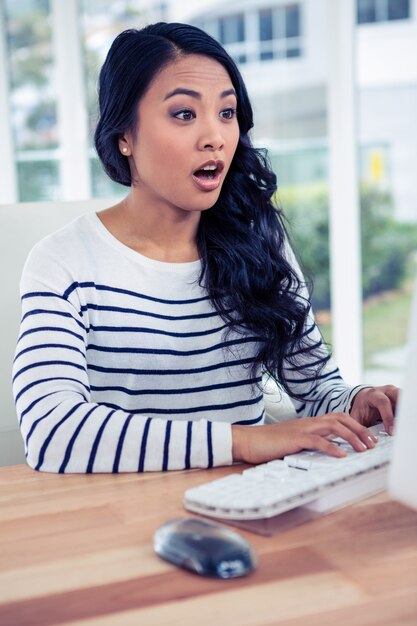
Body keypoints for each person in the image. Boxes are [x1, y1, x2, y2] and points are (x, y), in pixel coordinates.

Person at [12, 22, 398, 474]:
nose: (215, 136)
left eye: (227, 113)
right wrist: (245, 441)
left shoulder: (258, 243)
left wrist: (359, 402)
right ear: (124, 136)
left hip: (254, 500)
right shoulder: (64, 261)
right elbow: (52, 432)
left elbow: (316, 390)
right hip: (120, 513)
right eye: (184, 114)